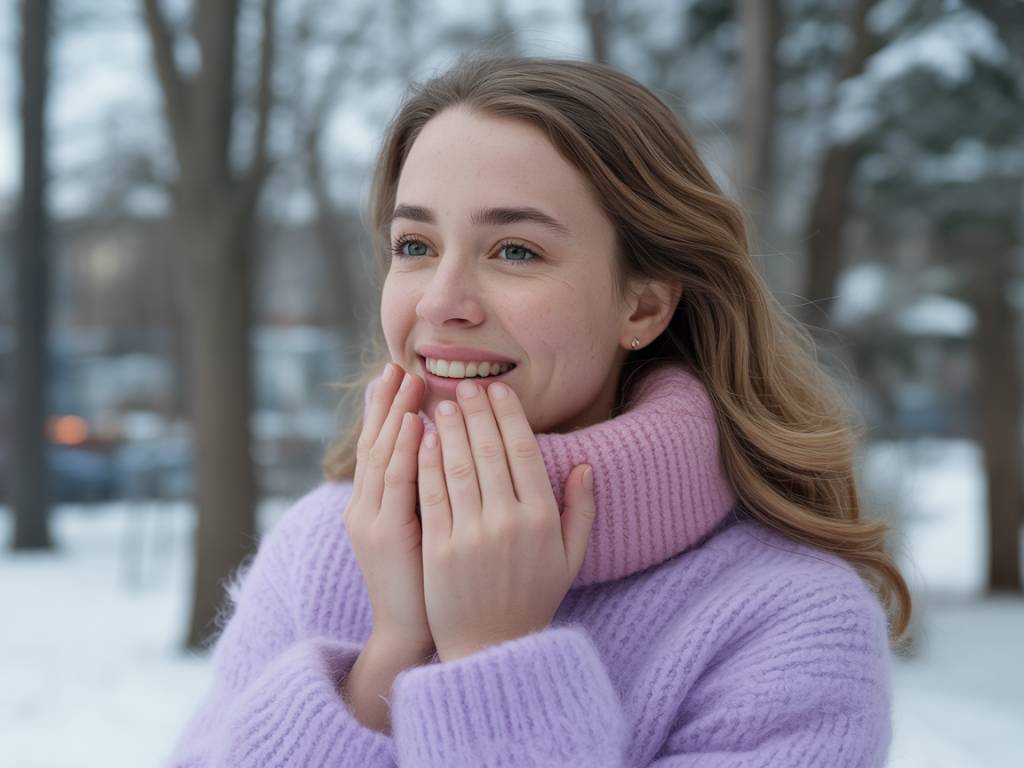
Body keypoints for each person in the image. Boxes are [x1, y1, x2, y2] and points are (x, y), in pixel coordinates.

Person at [165, 54, 911, 767]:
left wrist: (494, 655)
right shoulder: (323, 546)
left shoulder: (790, 622)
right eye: (416, 244)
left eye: (515, 251)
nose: (441, 302)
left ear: (643, 304)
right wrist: (388, 656)